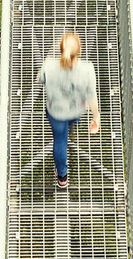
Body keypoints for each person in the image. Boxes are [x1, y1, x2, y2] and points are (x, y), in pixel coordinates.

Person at [37, 30, 100, 190]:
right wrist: (96, 117)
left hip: (55, 112)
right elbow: (91, 96)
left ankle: (62, 177)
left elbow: (40, 80)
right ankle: (68, 129)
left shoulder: (49, 66)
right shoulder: (87, 69)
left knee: (60, 141)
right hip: (75, 111)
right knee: (67, 129)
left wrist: (45, 65)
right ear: (79, 51)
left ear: (60, 50)